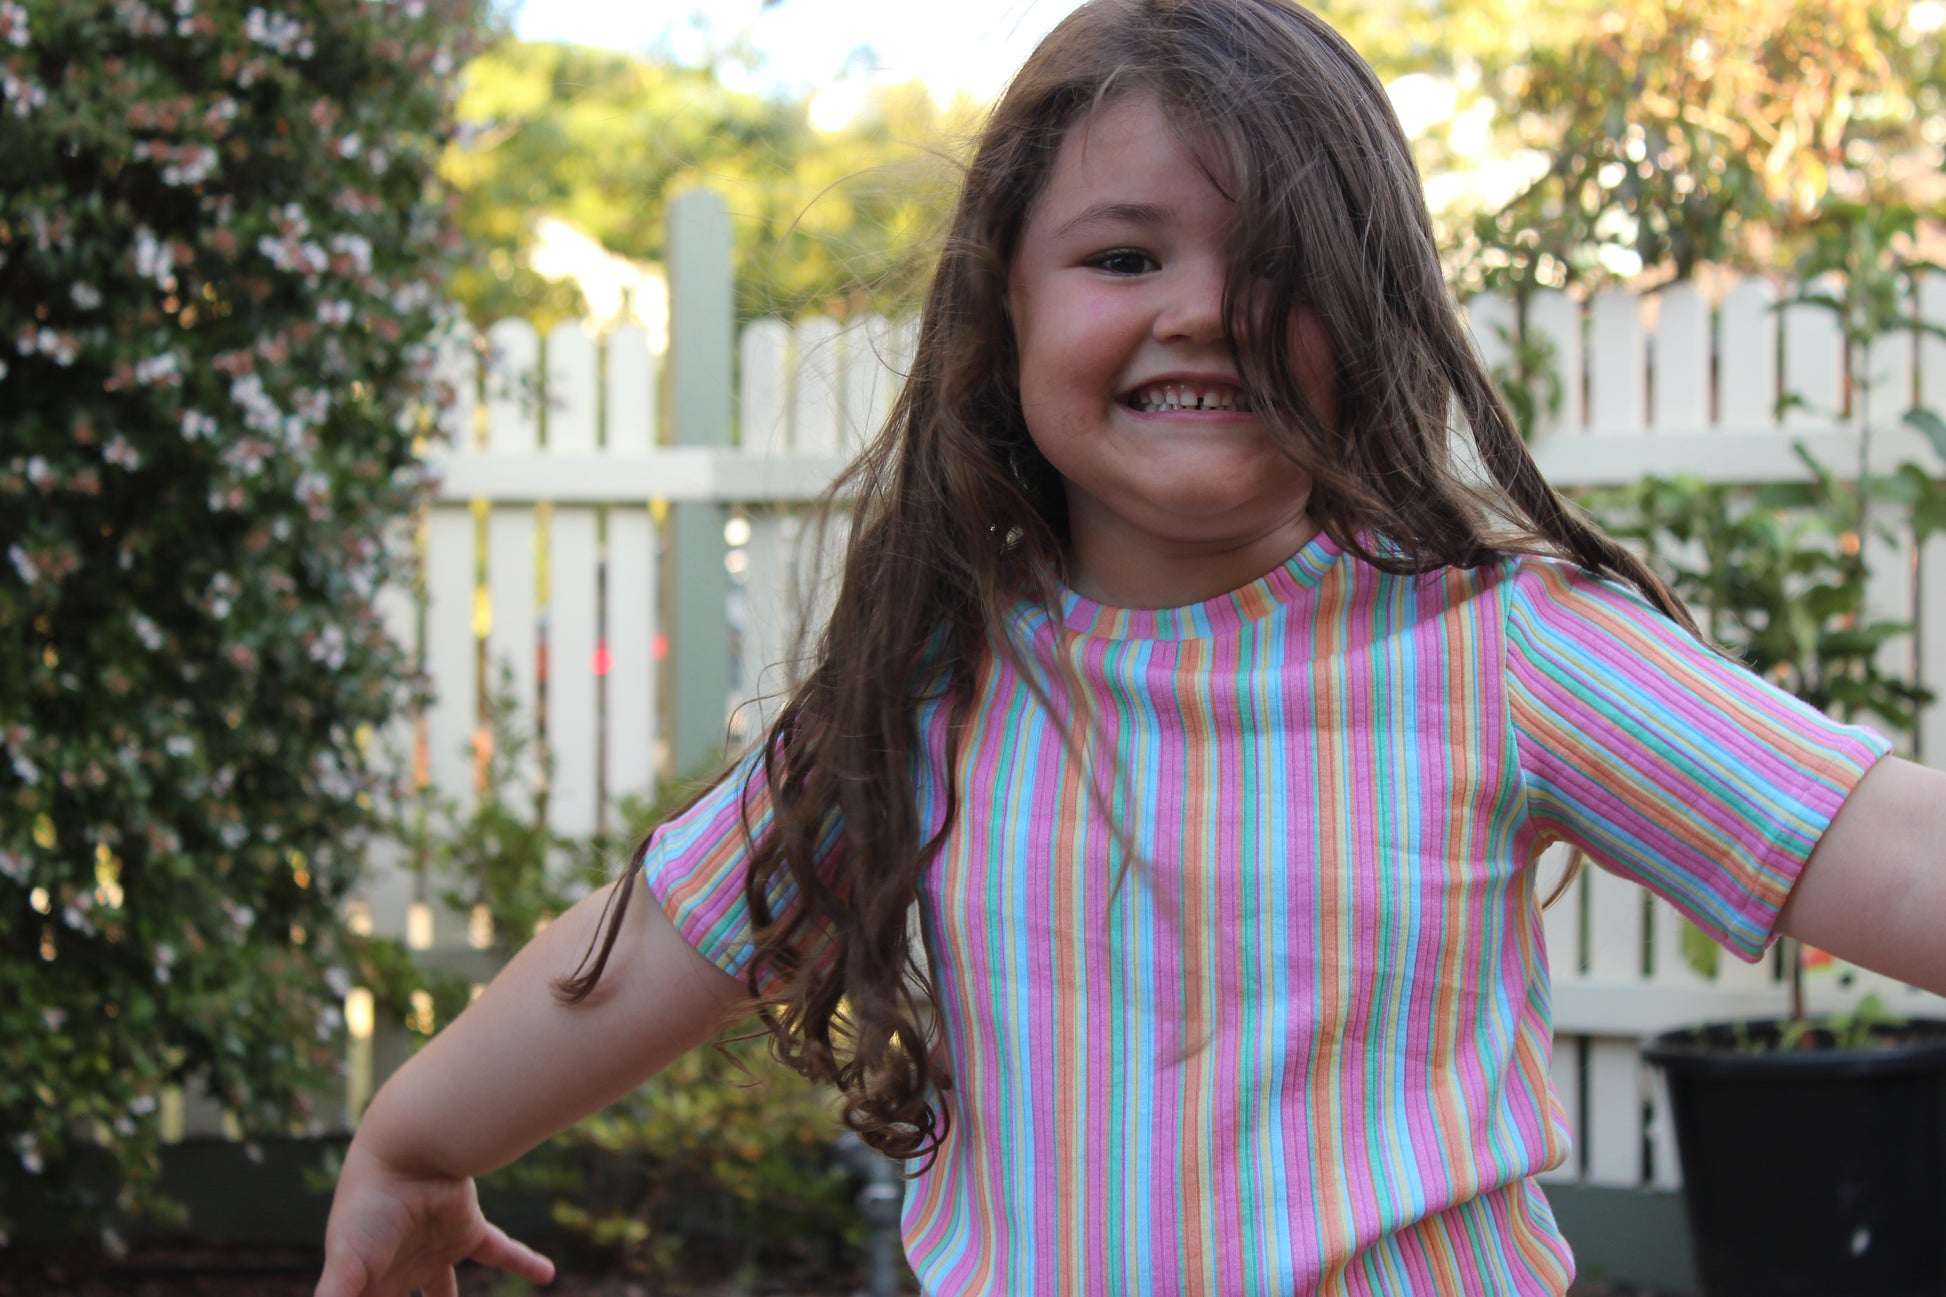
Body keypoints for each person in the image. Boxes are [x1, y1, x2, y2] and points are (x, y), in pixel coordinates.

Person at [314, 0, 1946, 1292]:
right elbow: (652, 944)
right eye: (1122, 256)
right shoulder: (925, 692)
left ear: (1373, 315)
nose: (1204, 311)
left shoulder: (1504, 650)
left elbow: (1886, 848)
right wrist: (407, 1143)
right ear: (1003, 314)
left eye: (1282, 267)